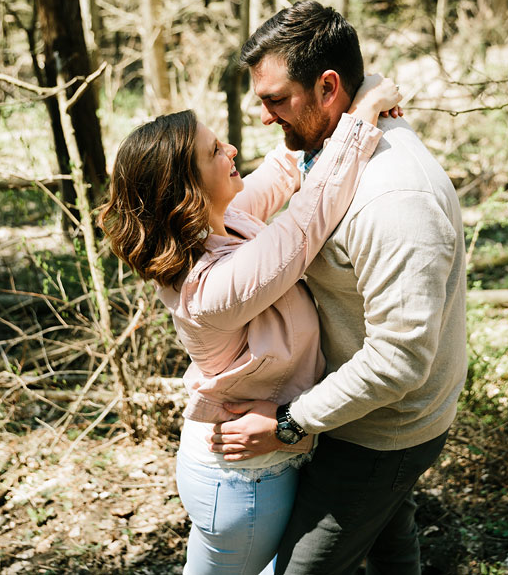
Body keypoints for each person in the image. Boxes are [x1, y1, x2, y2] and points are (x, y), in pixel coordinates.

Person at [98, 76, 402, 575]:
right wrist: (362, 115)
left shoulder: (220, 223)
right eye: (216, 149)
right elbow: (305, 220)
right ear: (187, 189)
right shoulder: (212, 286)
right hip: (244, 485)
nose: (232, 148)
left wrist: (321, 121)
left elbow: (283, 174)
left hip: (248, 468)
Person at [208, 0, 468, 575]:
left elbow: (400, 360)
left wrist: (284, 423)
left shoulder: (394, 197)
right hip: (350, 409)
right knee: (391, 547)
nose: (267, 119)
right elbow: (286, 177)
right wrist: (368, 99)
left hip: (382, 430)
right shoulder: (326, 149)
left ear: (328, 88)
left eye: (277, 100)